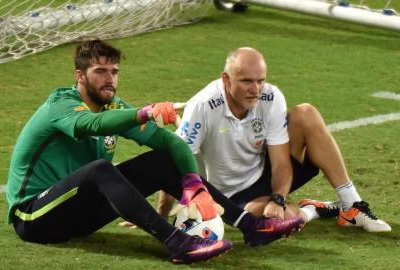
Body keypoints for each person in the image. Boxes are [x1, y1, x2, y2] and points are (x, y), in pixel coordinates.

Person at [6, 40, 304, 265]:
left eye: (114, 71)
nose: (109, 78)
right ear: (80, 76)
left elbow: (172, 144)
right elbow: (92, 124)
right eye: (100, 72)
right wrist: (144, 113)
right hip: (34, 217)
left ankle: (250, 226)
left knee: (163, 159)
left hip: (77, 218)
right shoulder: (60, 105)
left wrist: (192, 183)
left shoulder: (115, 108)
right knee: (100, 169)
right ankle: (178, 242)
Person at [158, 47, 391, 233]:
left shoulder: (270, 96)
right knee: (280, 222)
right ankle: (311, 210)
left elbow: (281, 163)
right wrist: (161, 216)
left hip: (265, 175)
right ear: (226, 79)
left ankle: (351, 206)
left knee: (305, 113)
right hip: (228, 197)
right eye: (247, 81)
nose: (256, 89)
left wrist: (278, 198)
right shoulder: (203, 106)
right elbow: (175, 160)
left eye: (260, 80)